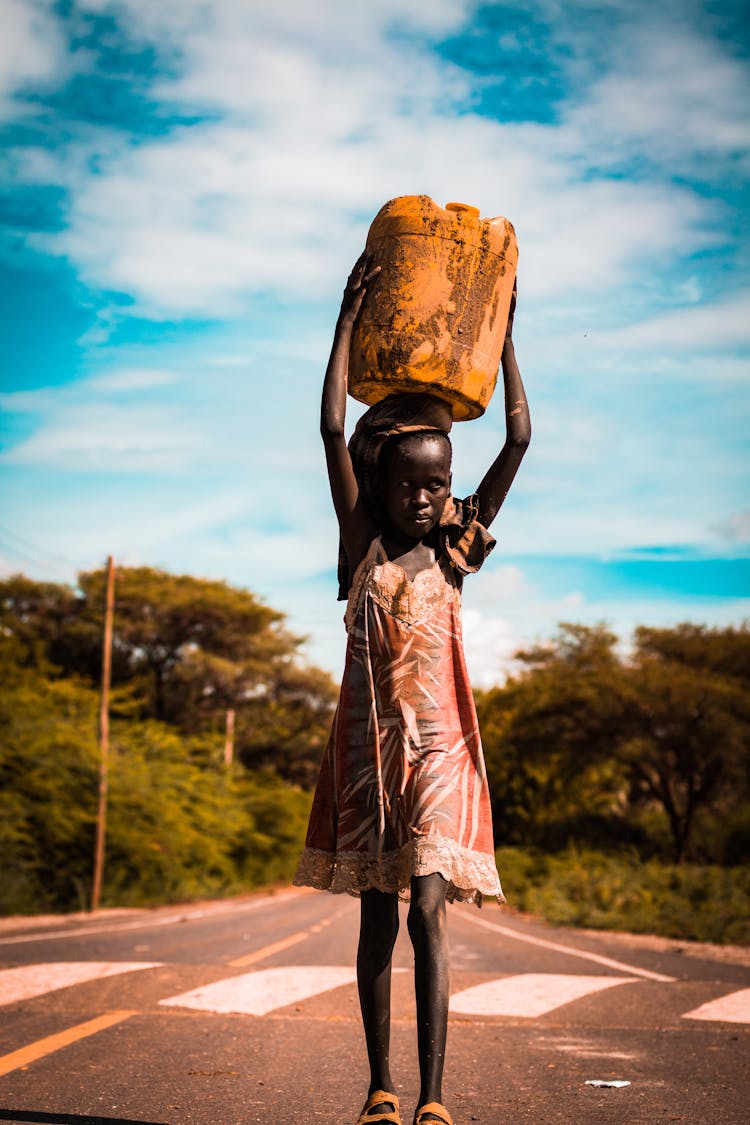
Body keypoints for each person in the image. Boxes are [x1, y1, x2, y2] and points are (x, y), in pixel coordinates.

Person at [294, 251, 531, 1125]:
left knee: (429, 907)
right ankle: (380, 1086)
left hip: (440, 749)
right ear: (383, 486)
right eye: (413, 484)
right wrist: (345, 323)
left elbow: (518, 442)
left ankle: (433, 1095)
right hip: (367, 756)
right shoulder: (360, 547)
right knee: (376, 922)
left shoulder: (456, 552)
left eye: (440, 484)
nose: (430, 498)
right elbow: (327, 431)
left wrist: (504, 340)